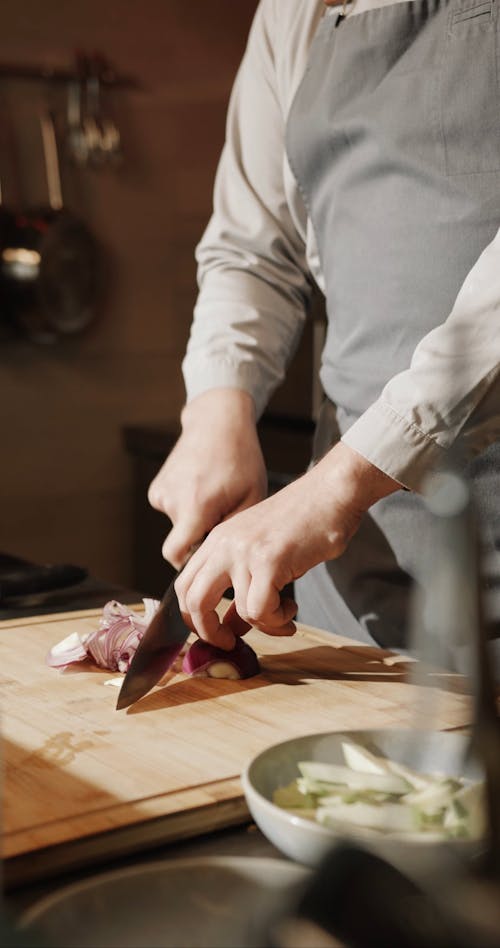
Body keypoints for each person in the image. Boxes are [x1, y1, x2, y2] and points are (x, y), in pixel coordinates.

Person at [148, 0, 500, 654]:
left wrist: (337, 488)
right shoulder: (291, 13)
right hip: (349, 595)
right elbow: (255, 248)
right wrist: (217, 411)